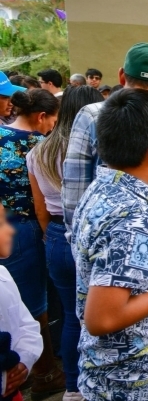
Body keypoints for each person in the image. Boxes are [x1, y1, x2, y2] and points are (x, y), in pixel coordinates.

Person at [62, 43, 148, 400]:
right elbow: (103, 318)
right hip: (138, 379)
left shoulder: (103, 189)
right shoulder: (132, 218)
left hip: (123, 370)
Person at [26, 86, 103, 401]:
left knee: (72, 316)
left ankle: (73, 388)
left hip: (57, 235)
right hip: (94, 234)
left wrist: (53, 236)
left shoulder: (38, 152)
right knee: (101, 316)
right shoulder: (94, 148)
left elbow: (40, 208)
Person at [0, 88, 62, 398]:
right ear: (41, 116)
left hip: (2, 224)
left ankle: (11, 367)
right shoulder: (39, 146)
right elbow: (42, 205)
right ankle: (45, 373)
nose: (53, 126)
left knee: (7, 300)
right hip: (24, 229)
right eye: (52, 120)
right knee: (32, 304)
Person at [0, 205, 43, 401]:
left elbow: (27, 324)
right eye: (1, 224)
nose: (11, 230)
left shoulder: (4, 276)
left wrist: (24, 362)